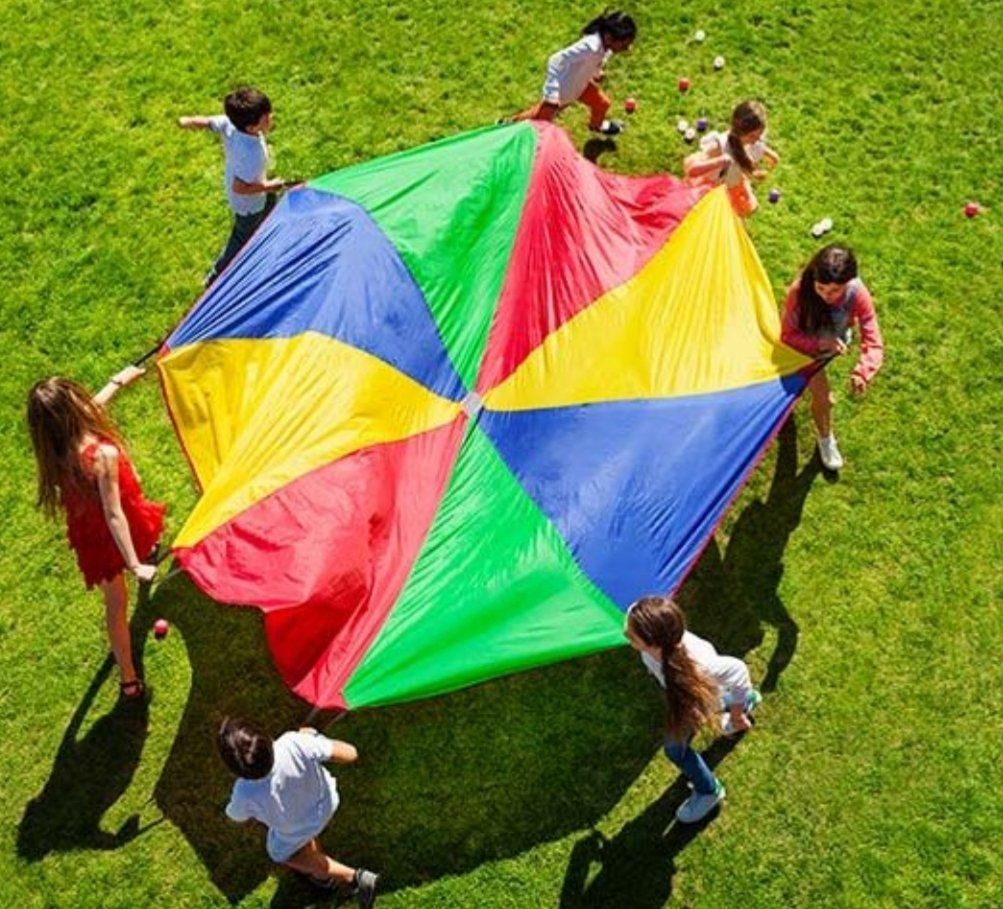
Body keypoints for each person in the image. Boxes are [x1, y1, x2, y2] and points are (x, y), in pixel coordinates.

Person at [27, 368, 164, 701]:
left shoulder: (55, 450)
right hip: (116, 526)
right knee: (119, 601)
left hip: (90, 536)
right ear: (72, 413)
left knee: (113, 604)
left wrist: (120, 381)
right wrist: (133, 564)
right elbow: (115, 514)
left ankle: (129, 682)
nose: (84, 398)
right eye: (76, 397)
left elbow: (95, 406)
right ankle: (129, 678)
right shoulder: (102, 456)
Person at [625, 596, 761, 824]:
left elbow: (738, 671)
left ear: (654, 643)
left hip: (699, 698)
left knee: (675, 750)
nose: (625, 635)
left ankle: (709, 791)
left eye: (631, 635)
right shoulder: (655, 644)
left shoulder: (701, 666)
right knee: (717, 700)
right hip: (690, 696)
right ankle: (744, 700)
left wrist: (736, 717)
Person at [218, 718, 379, 905]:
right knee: (306, 837)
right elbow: (350, 753)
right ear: (267, 737)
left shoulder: (244, 792)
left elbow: (235, 816)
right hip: (327, 803)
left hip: (297, 827)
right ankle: (322, 875)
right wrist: (314, 737)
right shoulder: (293, 742)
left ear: (237, 771)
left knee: (279, 853)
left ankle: (353, 877)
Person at [781, 244, 884, 471]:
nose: (826, 296)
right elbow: (787, 336)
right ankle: (826, 439)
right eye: (821, 289)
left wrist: (864, 371)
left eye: (835, 291)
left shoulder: (857, 292)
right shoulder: (799, 292)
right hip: (807, 349)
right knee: (825, 400)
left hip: (834, 338)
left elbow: (873, 337)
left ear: (849, 282)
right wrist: (821, 344)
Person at [178, 86, 288, 285]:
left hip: (249, 185)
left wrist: (188, 121)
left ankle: (266, 231)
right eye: (266, 117)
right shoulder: (251, 155)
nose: (271, 117)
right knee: (241, 236)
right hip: (248, 203)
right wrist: (268, 186)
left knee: (270, 204)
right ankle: (216, 275)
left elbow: (209, 123)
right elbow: (240, 187)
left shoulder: (230, 124)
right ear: (252, 127)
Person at [510, 10, 637, 136]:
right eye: (624, 45)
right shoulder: (590, 47)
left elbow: (595, 61)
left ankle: (596, 126)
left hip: (581, 86)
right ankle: (507, 127)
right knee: (536, 121)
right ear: (609, 37)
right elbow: (556, 60)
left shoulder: (606, 47)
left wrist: (597, 73)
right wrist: (552, 95)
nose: (627, 49)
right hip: (563, 93)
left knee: (602, 104)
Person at [684, 100, 778, 216]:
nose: (755, 141)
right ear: (739, 131)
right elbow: (692, 170)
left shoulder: (751, 142)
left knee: (748, 208)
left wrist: (770, 156)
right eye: (752, 136)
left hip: (733, 183)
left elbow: (756, 149)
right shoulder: (719, 146)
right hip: (715, 189)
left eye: (758, 137)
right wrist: (719, 161)